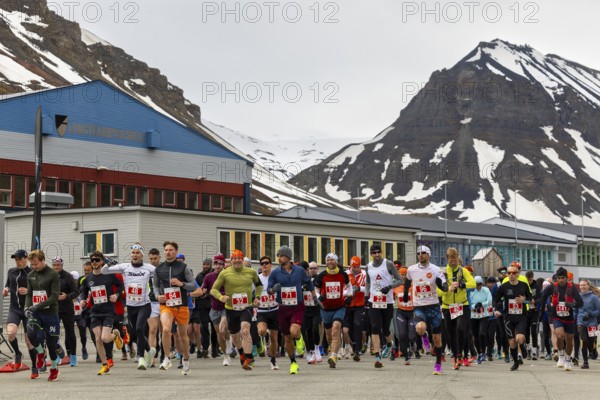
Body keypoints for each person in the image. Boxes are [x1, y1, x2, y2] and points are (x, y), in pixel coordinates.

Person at [101, 243, 156, 370]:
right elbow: (104, 271)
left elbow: (160, 277)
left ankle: (141, 358)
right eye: (133, 253)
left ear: (142, 255)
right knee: (137, 332)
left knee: (139, 328)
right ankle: (150, 350)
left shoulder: (149, 268)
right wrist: (109, 263)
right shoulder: (124, 267)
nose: (135, 255)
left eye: (137, 253)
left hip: (145, 304)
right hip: (131, 305)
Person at [210, 249, 262, 371]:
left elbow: (259, 285)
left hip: (246, 307)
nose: (237, 260)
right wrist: (220, 297)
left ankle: (248, 359)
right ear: (231, 260)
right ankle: (242, 353)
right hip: (230, 309)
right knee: (235, 337)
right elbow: (213, 290)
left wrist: (257, 297)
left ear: (243, 259)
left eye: (239, 258)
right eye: (234, 258)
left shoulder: (251, 272)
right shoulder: (224, 273)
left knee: (245, 329)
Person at [267, 245, 314, 374]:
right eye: (278, 256)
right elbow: (269, 289)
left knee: (293, 332)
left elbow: (309, 283)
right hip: (282, 308)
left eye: (282, 256)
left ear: (288, 257)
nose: (279, 258)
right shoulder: (275, 273)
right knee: (287, 337)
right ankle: (293, 362)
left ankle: (299, 338)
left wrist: (314, 297)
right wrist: (272, 290)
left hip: (297, 307)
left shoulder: (299, 270)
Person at [403, 245, 448, 375]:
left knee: (437, 339)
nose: (421, 255)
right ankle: (424, 337)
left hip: (433, 306)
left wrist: (444, 287)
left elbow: (443, 283)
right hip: (419, 305)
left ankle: (438, 364)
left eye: (423, 253)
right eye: (418, 253)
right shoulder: (412, 269)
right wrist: (406, 293)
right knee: (420, 328)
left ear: (428, 255)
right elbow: (407, 281)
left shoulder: (435, 269)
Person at [154, 241, 196, 375]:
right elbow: (155, 285)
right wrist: (157, 296)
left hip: (181, 305)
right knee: (166, 329)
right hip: (166, 305)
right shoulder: (159, 269)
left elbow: (193, 286)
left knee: (183, 336)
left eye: (171, 250)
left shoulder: (183, 268)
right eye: (166, 250)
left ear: (176, 251)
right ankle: (166, 358)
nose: (168, 252)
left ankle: (186, 359)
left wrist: (181, 283)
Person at [80, 251, 125, 375]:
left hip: (108, 311)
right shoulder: (88, 278)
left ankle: (115, 335)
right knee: (98, 338)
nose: (94, 262)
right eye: (92, 260)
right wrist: (83, 300)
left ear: (102, 261)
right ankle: (105, 364)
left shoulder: (109, 275)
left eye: (97, 260)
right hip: (95, 311)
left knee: (105, 338)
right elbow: (84, 290)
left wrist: (116, 295)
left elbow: (121, 285)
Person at [24, 250, 61, 381]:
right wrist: (27, 307)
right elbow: (29, 294)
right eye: (32, 265)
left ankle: (54, 368)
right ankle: (40, 352)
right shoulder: (30, 275)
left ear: (42, 260)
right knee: (31, 333)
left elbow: (55, 296)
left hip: (50, 313)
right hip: (36, 312)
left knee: (51, 345)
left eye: (36, 264)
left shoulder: (53, 274)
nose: (34, 267)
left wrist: (37, 305)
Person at [365, 244, 403, 368]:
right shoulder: (368, 266)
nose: (376, 255)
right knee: (375, 327)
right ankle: (377, 356)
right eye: (374, 253)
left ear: (381, 252)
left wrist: (389, 287)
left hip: (387, 301)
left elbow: (400, 280)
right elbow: (368, 282)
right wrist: (366, 295)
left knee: (385, 328)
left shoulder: (389, 264)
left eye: (378, 252)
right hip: (374, 301)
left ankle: (388, 343)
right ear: (371, 254)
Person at [541, 267, 583, 371]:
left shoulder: (572, 288)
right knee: (559, 335)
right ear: (556, 278)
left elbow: (580, 302)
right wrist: (541, 313)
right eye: (559, 278)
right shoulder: (552, 287)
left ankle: (568, 360)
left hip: (569, 317)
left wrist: (572, 304)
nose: (561, 280)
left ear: (566, 278)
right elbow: (542, 298)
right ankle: (560, 355)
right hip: (557, 316)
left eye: (563, 278)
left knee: (569, 340)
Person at [314, 253, 351, 368]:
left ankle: (333, 356)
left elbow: (349, 286)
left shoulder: (343, 274)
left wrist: (349, 295)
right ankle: (333, 348)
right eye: (328, 260)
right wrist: (319, 297)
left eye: (332, 260)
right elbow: (316, 290)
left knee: (336, 328)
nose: (330, 262)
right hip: (325, 308)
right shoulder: (321, 275)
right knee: (329, 335)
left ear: (336, 262)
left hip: (339, 307)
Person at [441, 247, 476, 370]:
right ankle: (456, 357)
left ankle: (461, 353)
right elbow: (438, 291)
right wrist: (447, 289)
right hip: (447, 306)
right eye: (451, 258)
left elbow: (473, 283)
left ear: (458, 258)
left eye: (455, 258)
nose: (453, 261)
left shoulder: (463, 271)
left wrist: (462, 285)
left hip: (462, 305)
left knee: (461, 329)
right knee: (451, 334)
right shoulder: (443, 272)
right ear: (447, 258)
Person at [493, 264, 532, 371]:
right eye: (509, 273)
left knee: (519, 338)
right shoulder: (504, 286)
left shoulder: (524, 285)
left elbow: (530, 298)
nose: (511, 275)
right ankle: (515, 362)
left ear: (518, 274)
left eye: (513, 273)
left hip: (521, 316)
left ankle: (523, 346)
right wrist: (496, 309)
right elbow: (495, 299)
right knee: (512, 342)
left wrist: (525, 301)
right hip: (508, 317)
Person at [2, 250, 35, 375]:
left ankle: (34, 367)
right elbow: (8, 284)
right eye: (16, 259)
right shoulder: (11, 271)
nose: (18, 261)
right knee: (10, 333)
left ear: (26, 259)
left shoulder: (32, 272)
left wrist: (28, 291)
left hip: (28, 309)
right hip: (14, 308)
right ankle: (18, 353)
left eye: (20, 259)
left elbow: (39, 290)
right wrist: (6, 289)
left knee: (29, 341)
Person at [51, 256, 79, 367]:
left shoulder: (68, 276)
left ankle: (73, 356)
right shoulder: (50, 276)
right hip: (54, 309)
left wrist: (67, 296)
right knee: (53, 333)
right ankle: (57, 355)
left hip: (67, 308)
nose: (56, 267)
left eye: (58, 265)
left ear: (62, 265)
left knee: (70, 332)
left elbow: (76, 291)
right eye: (54, 265)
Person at [256, 256, 280, 370]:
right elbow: (251, 292)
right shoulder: (257, 278)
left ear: (270, 265)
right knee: (262, 331)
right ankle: (264, 338)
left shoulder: (275, 277)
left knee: (274, 338)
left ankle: (273, 360)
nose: (264, 265)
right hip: (261, 311)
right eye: (262, 263)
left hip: (274, 310)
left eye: (266, 263)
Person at [192, 258, 218, 358]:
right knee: (204, 327)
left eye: (208, 264)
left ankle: (215, 349)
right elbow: (197, 289)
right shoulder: (199, 276)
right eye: (204, 264)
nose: (206, 266)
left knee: (215, 327)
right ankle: (205, 348)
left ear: (211, 265)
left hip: (213, 304)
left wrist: (206, 294)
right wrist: (200, 294)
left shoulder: (214, 275)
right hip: (202, 306)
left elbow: (215, 289)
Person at [344, 256, 366, 362]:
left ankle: (358, 348)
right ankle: (353, 345)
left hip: (360, 304)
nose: (355, 269)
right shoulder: (345, 274)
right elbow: (341, 289)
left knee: (358, 324)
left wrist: (359, 288)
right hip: (348, 304)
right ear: (350, 266)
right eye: (353, 267)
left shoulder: (364, 274)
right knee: (350, 327)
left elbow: (369, 288)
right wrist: (349, 293)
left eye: (357, 267)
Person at [394, 266, 417, 365]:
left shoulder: (413, 285)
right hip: (401, 312)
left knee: (411, 336)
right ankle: (406, 355)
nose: (403, 277)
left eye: (405, 275)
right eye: (401, 275)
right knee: (402, 335)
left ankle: (412, 344)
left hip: (412, 312)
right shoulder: (396, 286)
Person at [302, 261, 323, 364]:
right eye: (311, 268)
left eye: (314, 268)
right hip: (306, 309)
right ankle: (311, 352)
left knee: (315, 328)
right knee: (307, 330)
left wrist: (320, 297)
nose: (312, 270)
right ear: (307, 270)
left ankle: (317, 348)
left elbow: (323, 291)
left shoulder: (319, 279)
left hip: (316, 309)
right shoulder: (302, 280)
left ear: (318, 269)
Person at [577, 279, 600, 369]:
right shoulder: (578, 297)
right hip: (581, 321)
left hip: (592, 322)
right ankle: (585, 362)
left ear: (588, 286)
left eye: (584, 285)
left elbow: (599, 310)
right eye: (581, 285)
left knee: (591, 341)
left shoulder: (594, 297)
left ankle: (593, 349)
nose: (582, 287)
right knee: (584, 340)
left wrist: (591, 314)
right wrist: (575, 320)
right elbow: (575, 309)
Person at [469, 276, 492, 365]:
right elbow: (468, 302)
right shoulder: (471, 291)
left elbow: (489, 300)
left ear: (482, 284)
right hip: (473, 315)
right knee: (475, 335)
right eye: (476, 284)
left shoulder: (486, 290)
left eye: (479, 284)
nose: (478, 286)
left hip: (484, 315)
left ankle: (483, 351)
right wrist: (475, 306)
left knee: (482, 333)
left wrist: (481, 304)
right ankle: (479, 353)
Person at [147, 248, 162, 366]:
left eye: (155, 258)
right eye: (151, 259)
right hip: (151, 302)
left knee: (165, 331)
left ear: (159, 258)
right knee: (152, 330)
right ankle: (152, 356)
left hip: (164, 302)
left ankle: (165, 353)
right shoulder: (146, 270)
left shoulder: (164, 269)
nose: (153, 261)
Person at [524, 270, 541, 360]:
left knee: (534, 331)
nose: (529, 281)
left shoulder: (537, 286)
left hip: (534, 311)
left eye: (530, 279)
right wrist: (527, 301)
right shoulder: (523, 285)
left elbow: (540, 298)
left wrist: (535, 301)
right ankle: (528, 349)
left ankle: (534, 350)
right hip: (526, 312)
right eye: (528, 279)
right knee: (526, 331)